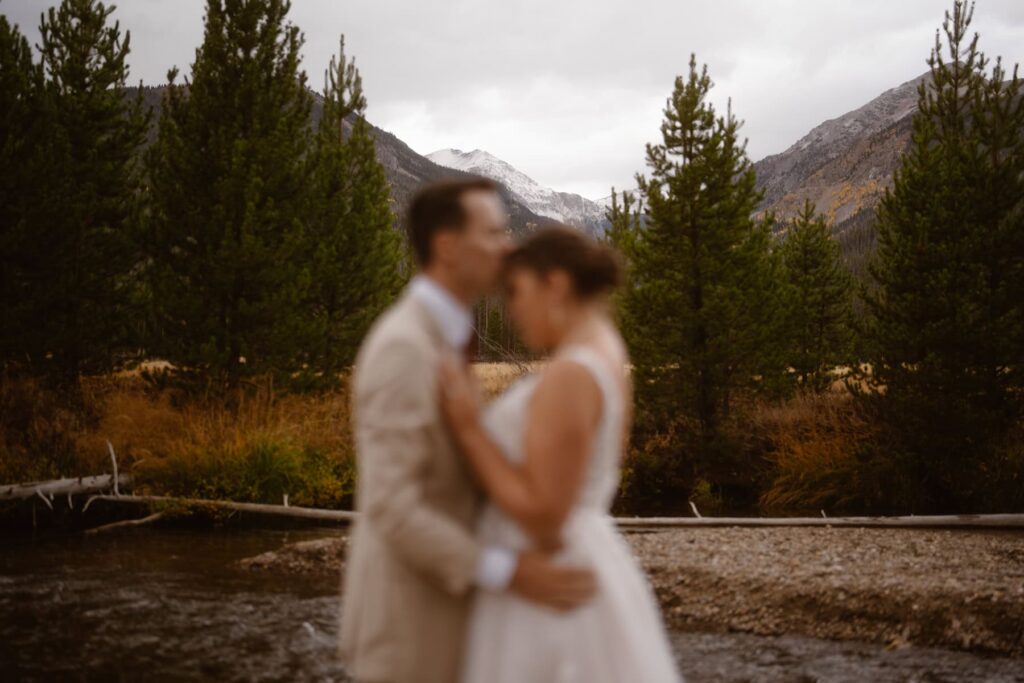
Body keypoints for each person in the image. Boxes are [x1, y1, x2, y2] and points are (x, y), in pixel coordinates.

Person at [339, 180, 597, 683]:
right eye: (494, 232)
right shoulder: (403, 347)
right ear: (448, 247)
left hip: (454, 616)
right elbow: (392, 505)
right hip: (408, 627)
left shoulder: (449, 338)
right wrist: (510, 572)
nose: (508, 246)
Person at [440, 226, 683, 682]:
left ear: (555, 283)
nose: (512, 311)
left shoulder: (572, 372)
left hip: (548, 578)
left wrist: (470, 430)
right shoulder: (606, 348)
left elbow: (545, 516)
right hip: (584, 557)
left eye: (516, 292)